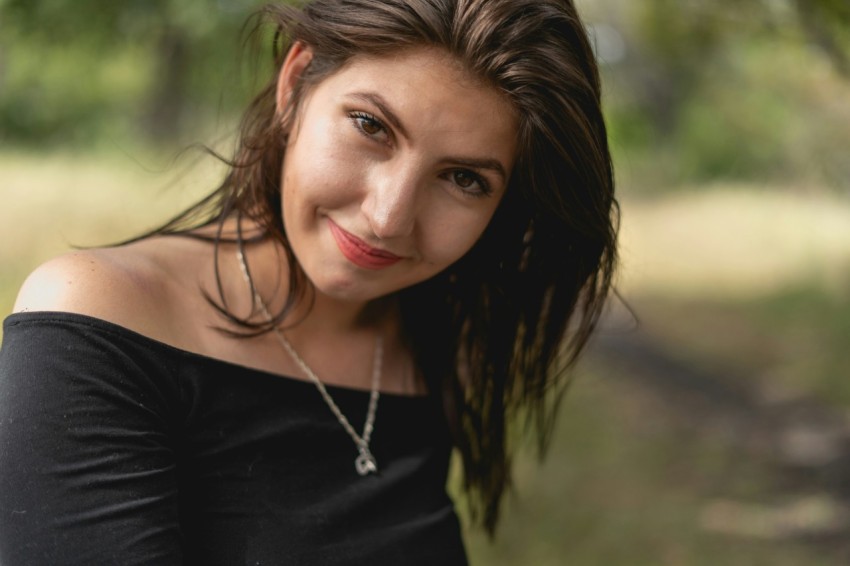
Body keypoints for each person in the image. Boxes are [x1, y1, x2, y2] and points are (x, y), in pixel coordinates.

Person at [0, 0, 618, 564]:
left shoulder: (428, 343)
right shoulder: (102, 316)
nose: (389, 217)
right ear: (295, 85)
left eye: (463, 179)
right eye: (371, 126)